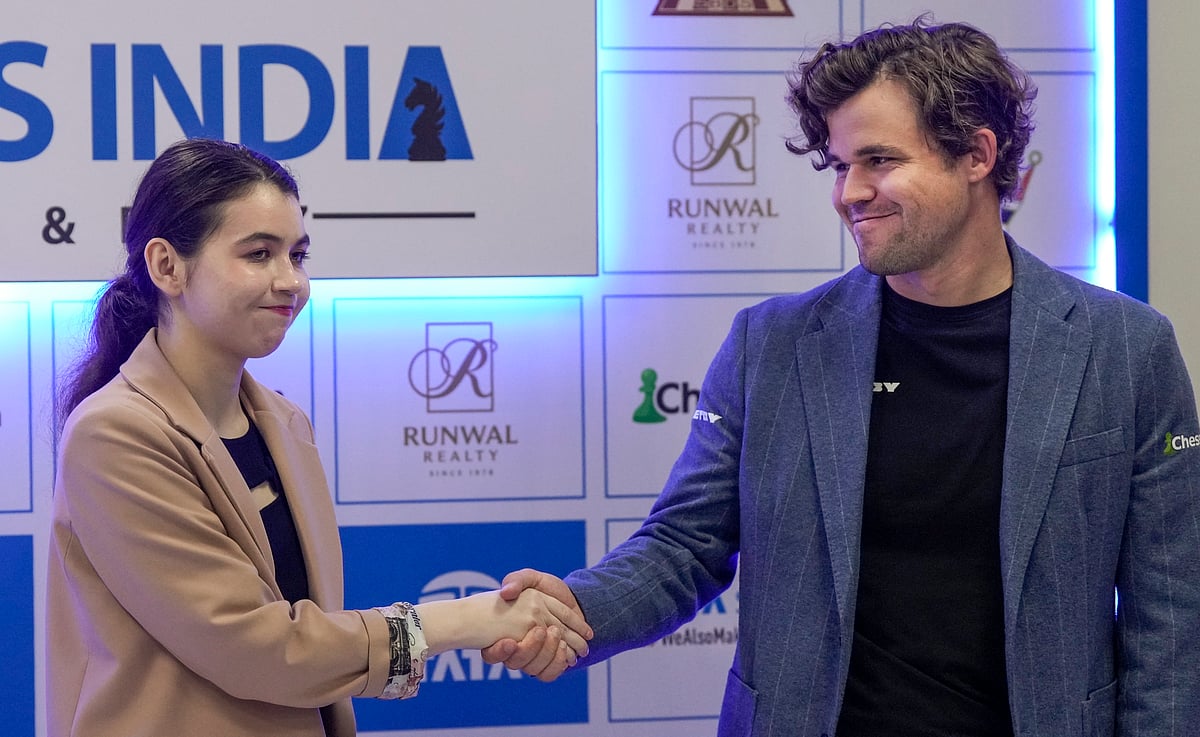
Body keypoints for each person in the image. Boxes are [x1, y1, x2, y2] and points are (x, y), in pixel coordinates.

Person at [484, 17, 1200, 736]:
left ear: (978, 154)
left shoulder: (1126, 351)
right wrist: (578, 609)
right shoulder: (771, 345)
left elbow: (1168, 613)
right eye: (839, 165)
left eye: (879, 160)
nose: (849, 192)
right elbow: (685, 543)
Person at [46, 138, 590, 737]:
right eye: (258, 254)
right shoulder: (115, 434)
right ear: (167, 266)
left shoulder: (284, 423)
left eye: (297, 255)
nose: (290, 282)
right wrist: (465, 620)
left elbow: (304, 642)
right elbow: (256, 648)